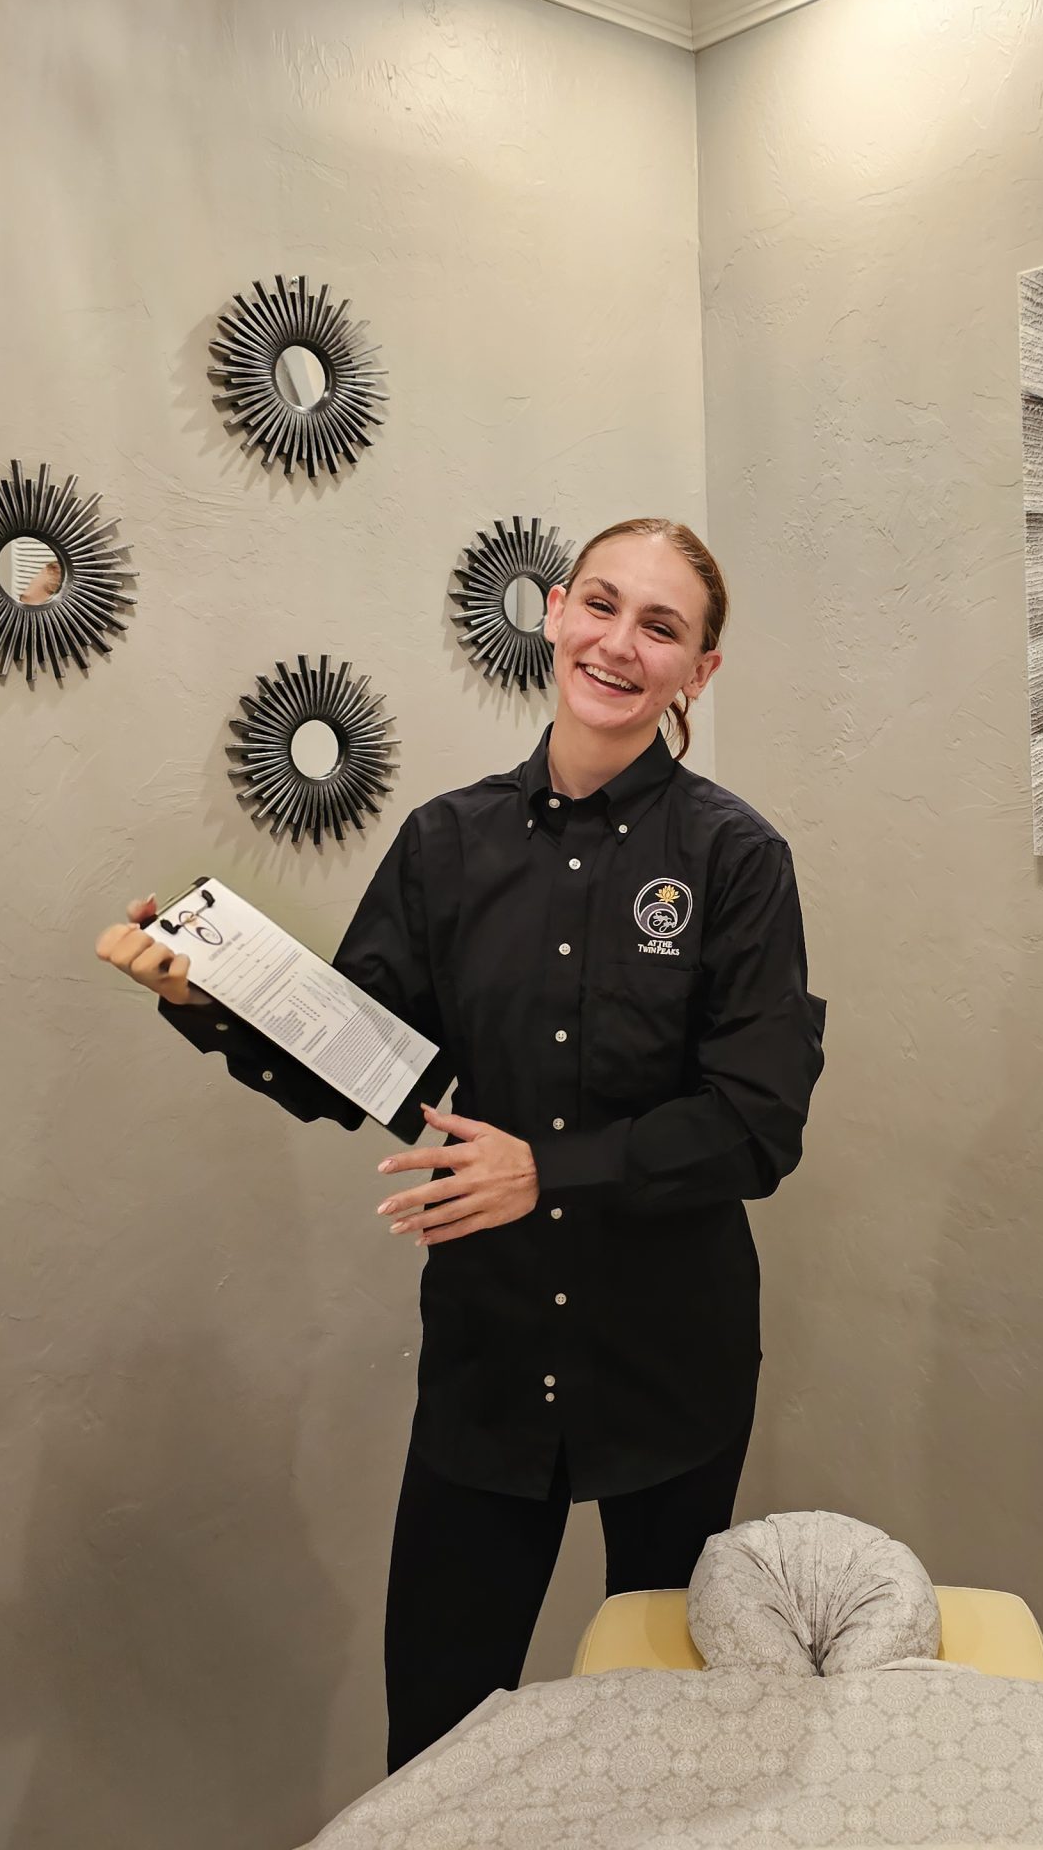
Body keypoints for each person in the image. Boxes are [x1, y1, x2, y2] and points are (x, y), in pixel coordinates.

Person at [93, 517, 825, 1771]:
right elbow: (375, 1069)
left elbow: (755, 1125)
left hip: (671, 1373)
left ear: (698, 672)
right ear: (554, 615)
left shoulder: (736, 860)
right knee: (437, 1739)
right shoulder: (445, 843)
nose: (618, 643)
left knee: (676, 1744)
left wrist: (550, 1171)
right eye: (601, 606)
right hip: (488, 1368)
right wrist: (208, 1000)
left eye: (661, 627)